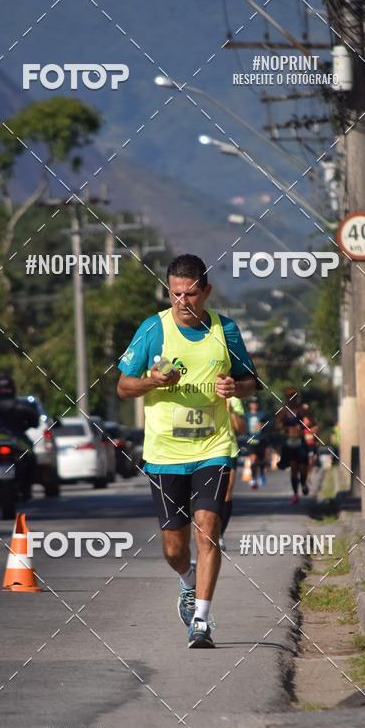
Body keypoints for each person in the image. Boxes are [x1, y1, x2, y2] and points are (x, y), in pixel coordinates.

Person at [117, 254, 258, 648]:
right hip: (164, 453)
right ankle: (186, 580)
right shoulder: (153, 330)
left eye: (191, 293)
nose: (183, 301)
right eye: (176, 293)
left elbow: (250, 382)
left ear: (206, 292)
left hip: (214, 446)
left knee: (207, 531)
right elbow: (123, 386)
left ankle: (201, 621)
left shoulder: (225, 330)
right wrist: (153, 382)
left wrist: (235, 388)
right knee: (174, 548)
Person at [0, 374, 38, 494]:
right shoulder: (22, 406)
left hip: (6, 441)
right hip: (5, 442)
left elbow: (34, 420)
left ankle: (26, 486)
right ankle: (26, 486)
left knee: (30, 456)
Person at [219, 395, 246, 551]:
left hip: (228, 449)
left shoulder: (234, 399)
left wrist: (231, 411)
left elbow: (241, 429)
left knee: (227, 493)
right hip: (203, 450)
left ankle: (219, 534)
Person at [276, 386, 308, 505]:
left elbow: (311, 422)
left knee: (304, 466)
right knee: (294, 468)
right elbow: (277, 425)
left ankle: (304, 483)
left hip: (301, 441)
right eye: (289, 397)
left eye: (294, 396)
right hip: (289, 441)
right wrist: (286, 428)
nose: (292, 399)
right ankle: (295, 494)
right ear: (287, 398)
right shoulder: (283, 411)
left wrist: (304, 426)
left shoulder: (302, 409)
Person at [245, 397, 269, 489]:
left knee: (261, 461)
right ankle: (254, 479)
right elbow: (244, 427)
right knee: (253, 461)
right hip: (251, 440)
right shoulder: (246, 415)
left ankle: (262, 474)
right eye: (252, 403)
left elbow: (269, 424)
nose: (254, 404)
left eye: (256, 403)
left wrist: (262, 425)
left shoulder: (262, 414)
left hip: (261, 440)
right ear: (250, 404)